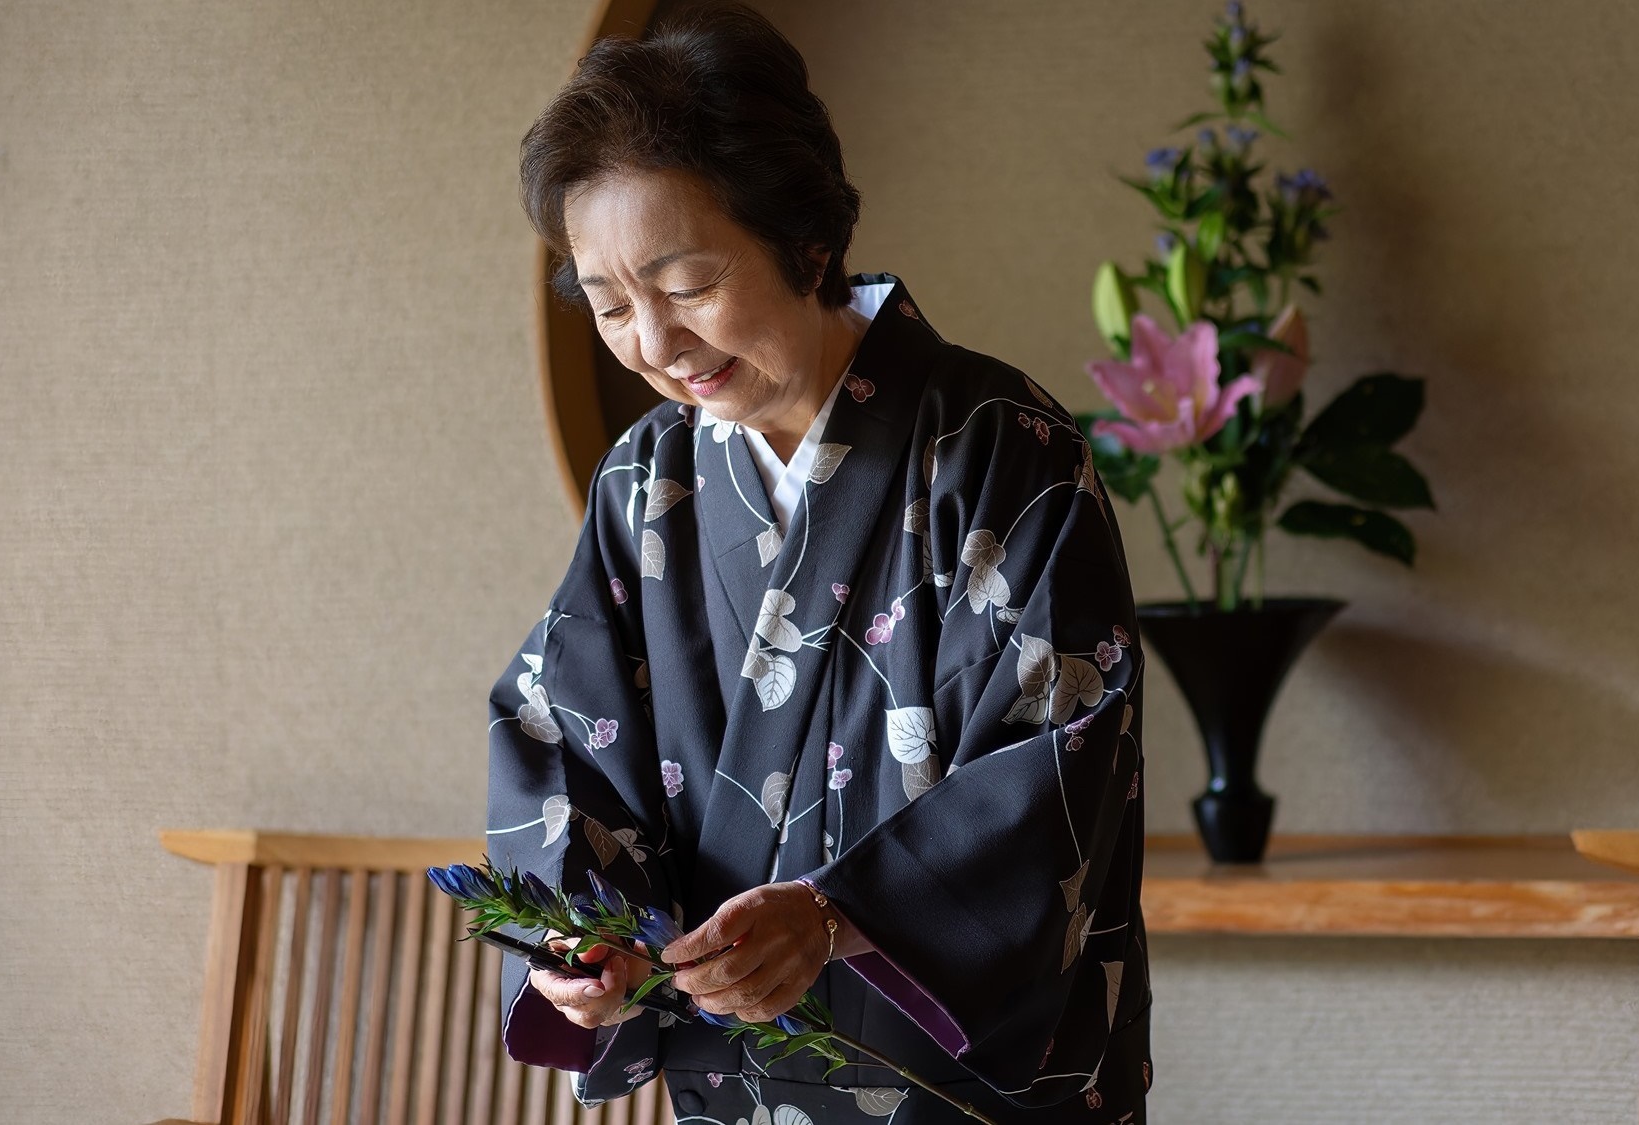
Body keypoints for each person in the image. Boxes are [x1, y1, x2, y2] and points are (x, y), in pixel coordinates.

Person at [486, 4, 1151, 1120]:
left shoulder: (998, 448)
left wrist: (839, 917)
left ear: (804, 239)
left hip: (961, 1092)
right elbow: (563, 725)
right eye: (610, 305)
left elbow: (1063, 752)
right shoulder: (647, 480)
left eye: (687, 285)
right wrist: (581, 931)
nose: (653, 342)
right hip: (734, 1084)